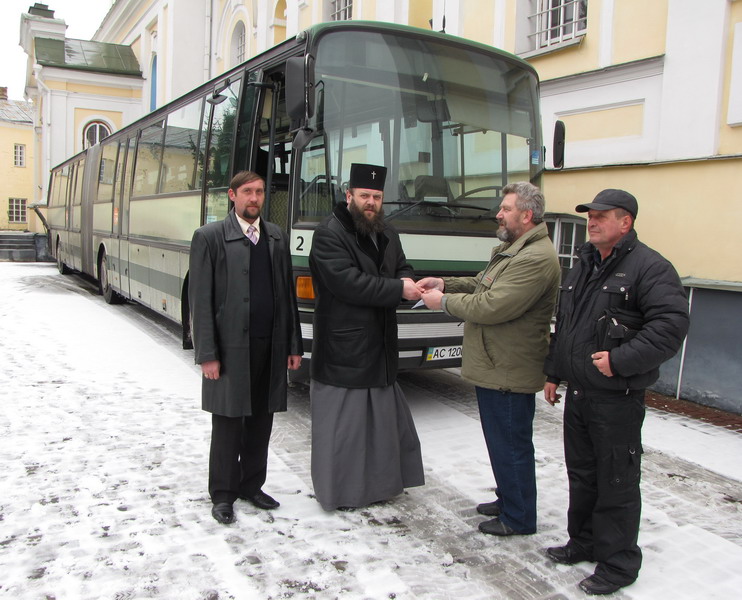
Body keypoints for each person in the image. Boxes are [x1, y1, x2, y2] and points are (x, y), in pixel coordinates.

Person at [543, 189, 689, 595]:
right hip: (580, 395)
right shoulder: (584, 264)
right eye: (590, 215)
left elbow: (670, 326)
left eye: (601, 216)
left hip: (616, 399)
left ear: (626, 222)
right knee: (583, 475)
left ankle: (618, 564)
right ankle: (584, 541)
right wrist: (554, 372)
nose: (592, 222)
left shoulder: (650, 267)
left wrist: (620, 360)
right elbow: (566, 325)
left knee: (617, 481)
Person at [419, 181, 561, 537]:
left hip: (509, 368)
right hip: (497, 363)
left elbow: (492, 305)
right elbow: (481, 284)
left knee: (511, 444)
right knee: (501, 442)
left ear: (526, 215)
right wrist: (445, 283)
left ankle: (519, 517)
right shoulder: (514, 249)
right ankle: (509, 499)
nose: (498, 214)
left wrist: (442, 302)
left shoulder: (535, 258)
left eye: (506, 209)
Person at [308, 163, 425, 511]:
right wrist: (398, 289)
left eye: (376, 196)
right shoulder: (328, 233)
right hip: (344, 348)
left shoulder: (387, 230)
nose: (371, 202)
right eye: (364, 196)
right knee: (345, 431)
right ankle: (342, 494)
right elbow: (348, 283)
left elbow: (402, 266)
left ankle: (378, 488)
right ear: (349, 196)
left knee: (379, 428)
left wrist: (407, 281)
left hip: (380, 345)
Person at [189, 170, 303, 525]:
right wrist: (207, 354)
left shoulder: (276, 237)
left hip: (269, 346)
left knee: (261, 420)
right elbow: (200, 301)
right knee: (228, 423)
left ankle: (252, 485)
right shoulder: (209, 237)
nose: (254, 198)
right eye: (248, 192)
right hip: (229, 349)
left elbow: (287, 296)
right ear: (232, 195)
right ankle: (223, 495)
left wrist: (293, 345)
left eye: (260, 192)